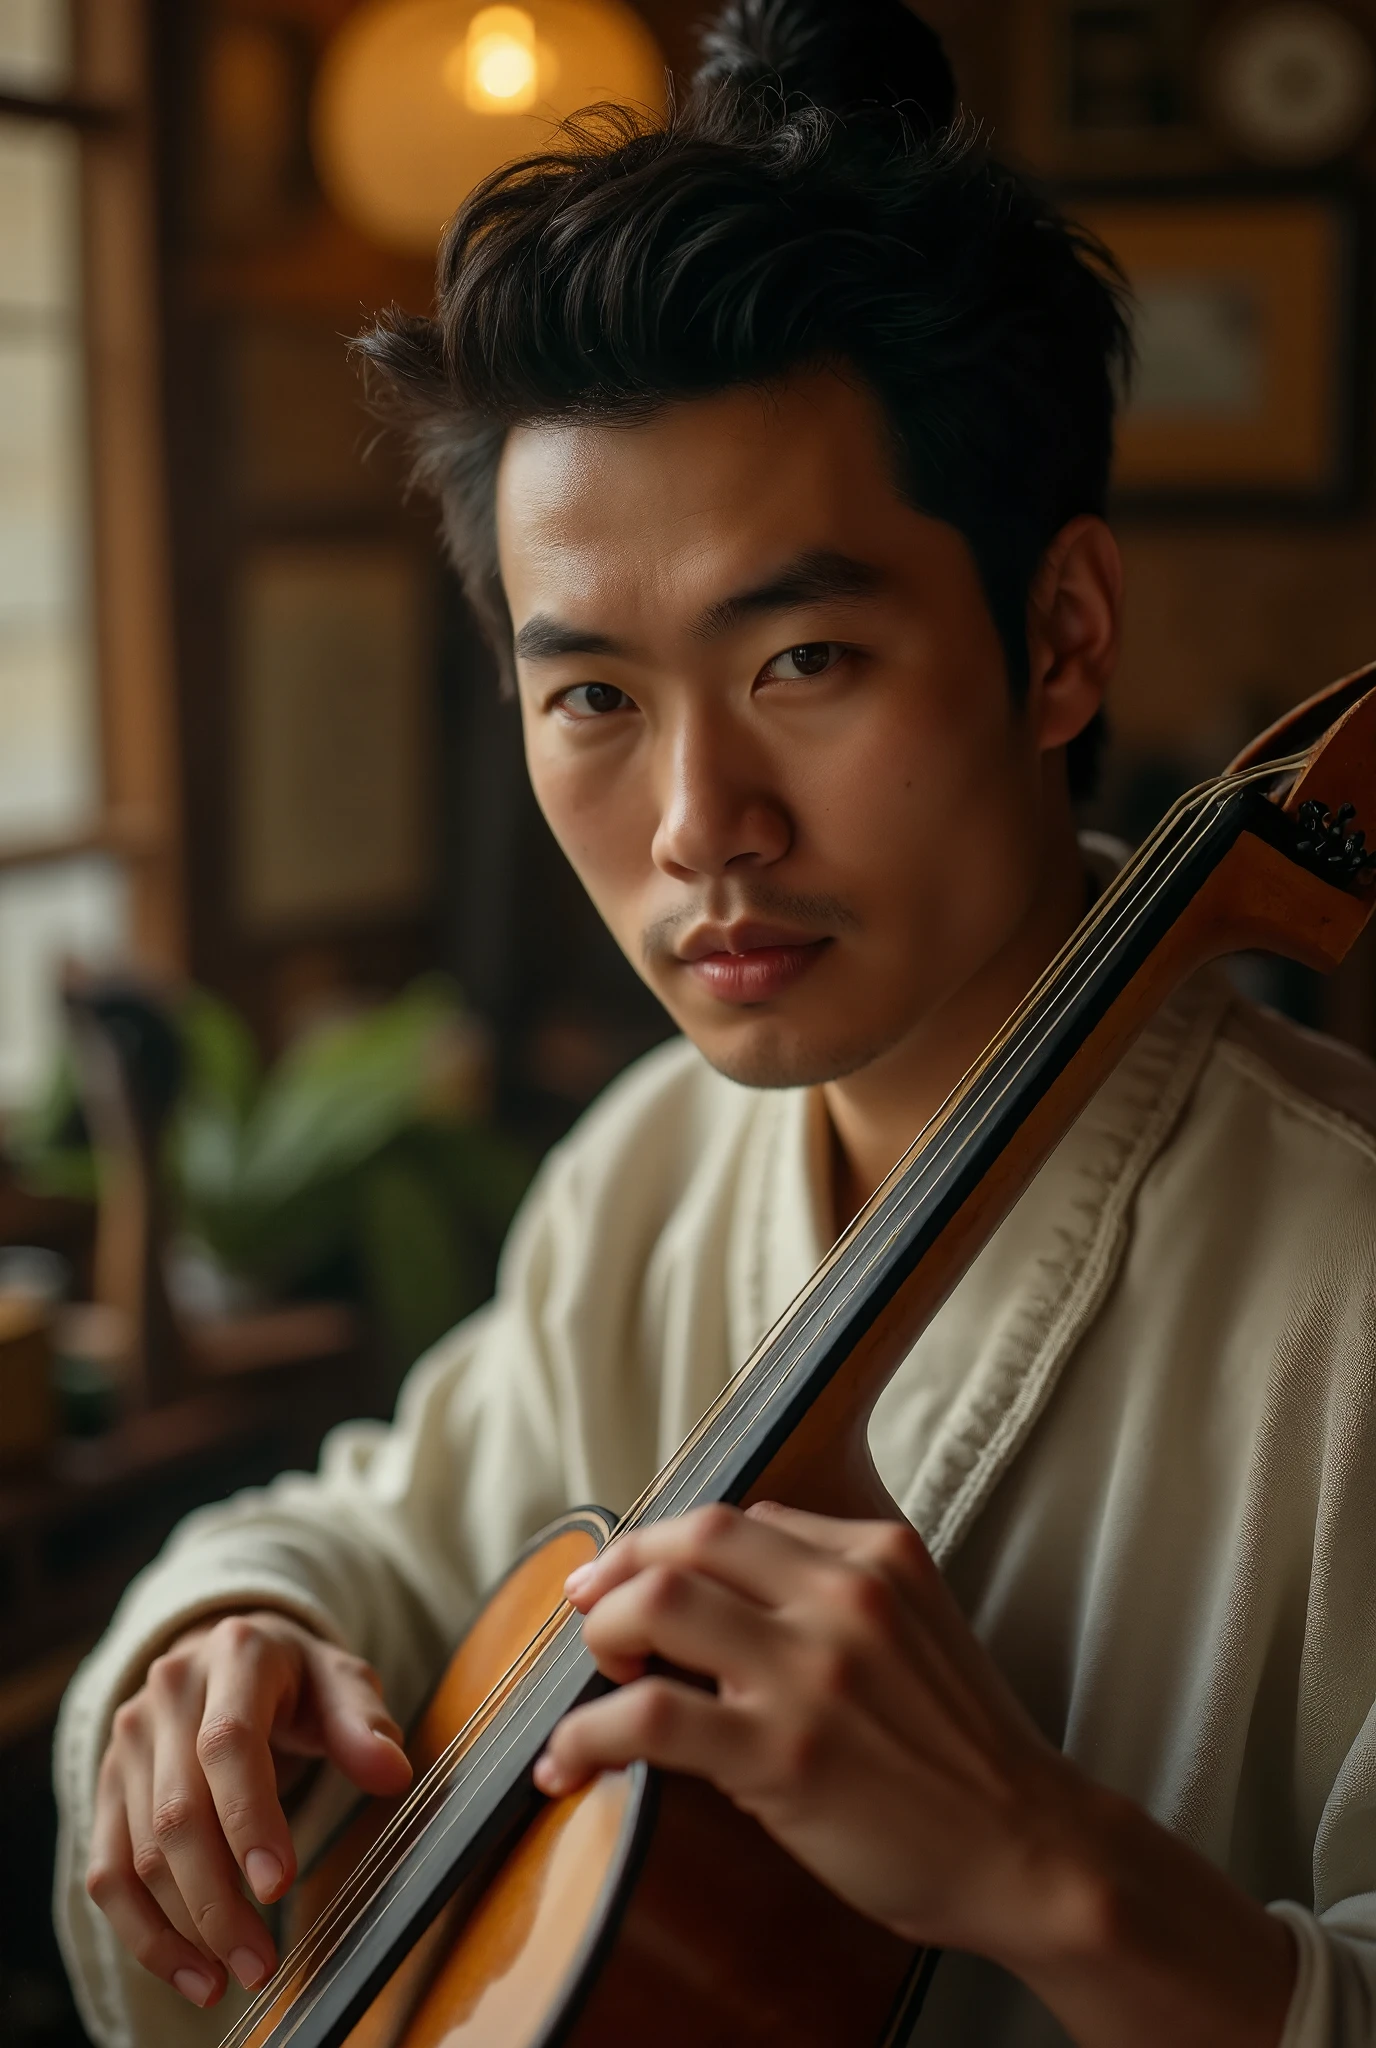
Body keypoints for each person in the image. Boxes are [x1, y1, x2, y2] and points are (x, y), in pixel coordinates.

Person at [53, 3, 1376, 2044]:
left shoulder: (1348, 1281)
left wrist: (1044, 1861)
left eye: (806, 657)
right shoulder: (649, 1170)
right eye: (591, 694)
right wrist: (229, 1642)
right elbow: (364, 1524)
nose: (697, 831)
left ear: (1061, 640)